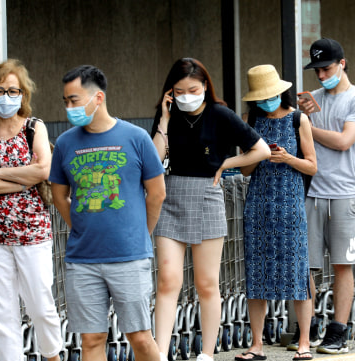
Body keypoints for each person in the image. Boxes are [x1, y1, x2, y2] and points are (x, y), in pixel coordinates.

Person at [151, 58, 270, 361]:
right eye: (179, 91)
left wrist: (227, 163)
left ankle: (206, 353)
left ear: (204, 85)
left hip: (207, 194)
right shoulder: (168, 114)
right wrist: (164, 121)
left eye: (193, 89)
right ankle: (160, 353)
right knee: (167, 280)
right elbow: (154, 159)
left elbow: (261, 150)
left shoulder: (220, 114)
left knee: (206, 283)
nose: (186, 95)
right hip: (171, 195)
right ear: (170, 92)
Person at [50, 65, 166, 361]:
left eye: (74, 100)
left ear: (97, 97)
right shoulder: (64, 143)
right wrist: (78, 225)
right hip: (83, 259)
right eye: (65, 101)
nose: (69, 107)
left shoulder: (136, 138)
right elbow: (59, 194)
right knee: (91, 339)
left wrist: (142, 232)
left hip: (129, 255)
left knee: (140, 336)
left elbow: (157, 192)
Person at [0, 59, 62, 361]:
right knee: (1, 312)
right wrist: (21, 179)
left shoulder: (35, 128)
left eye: (12, 91)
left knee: (40, 304)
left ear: (23, 95)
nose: (6, 97)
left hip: (32, 231)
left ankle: (52, 354)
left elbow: (44, 170)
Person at [295, 38, 355, 354]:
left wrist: (307, 125)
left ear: (342, 63)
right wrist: (302, 117)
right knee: (307, 265)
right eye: (317, 70)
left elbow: (343, 141)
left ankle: (338, 330)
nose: (321, 75)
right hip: (312, 191)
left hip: (343, 193)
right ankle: (307, 327)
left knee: (343, 264)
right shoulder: (311, 99)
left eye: (326, 68)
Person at [235, 64, 317, 361]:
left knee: (297, 271)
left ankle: (304, 342)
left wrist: (287, 158)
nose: (265, 102)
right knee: (256, 275)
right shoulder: (250, 121)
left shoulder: (299, 119)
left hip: (290, 204)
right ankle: (256, 345)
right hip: (258, 205)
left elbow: (312, 165)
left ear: (280, 92)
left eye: (269, 96)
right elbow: (245, 170)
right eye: (260, 97)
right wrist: (259, 155)